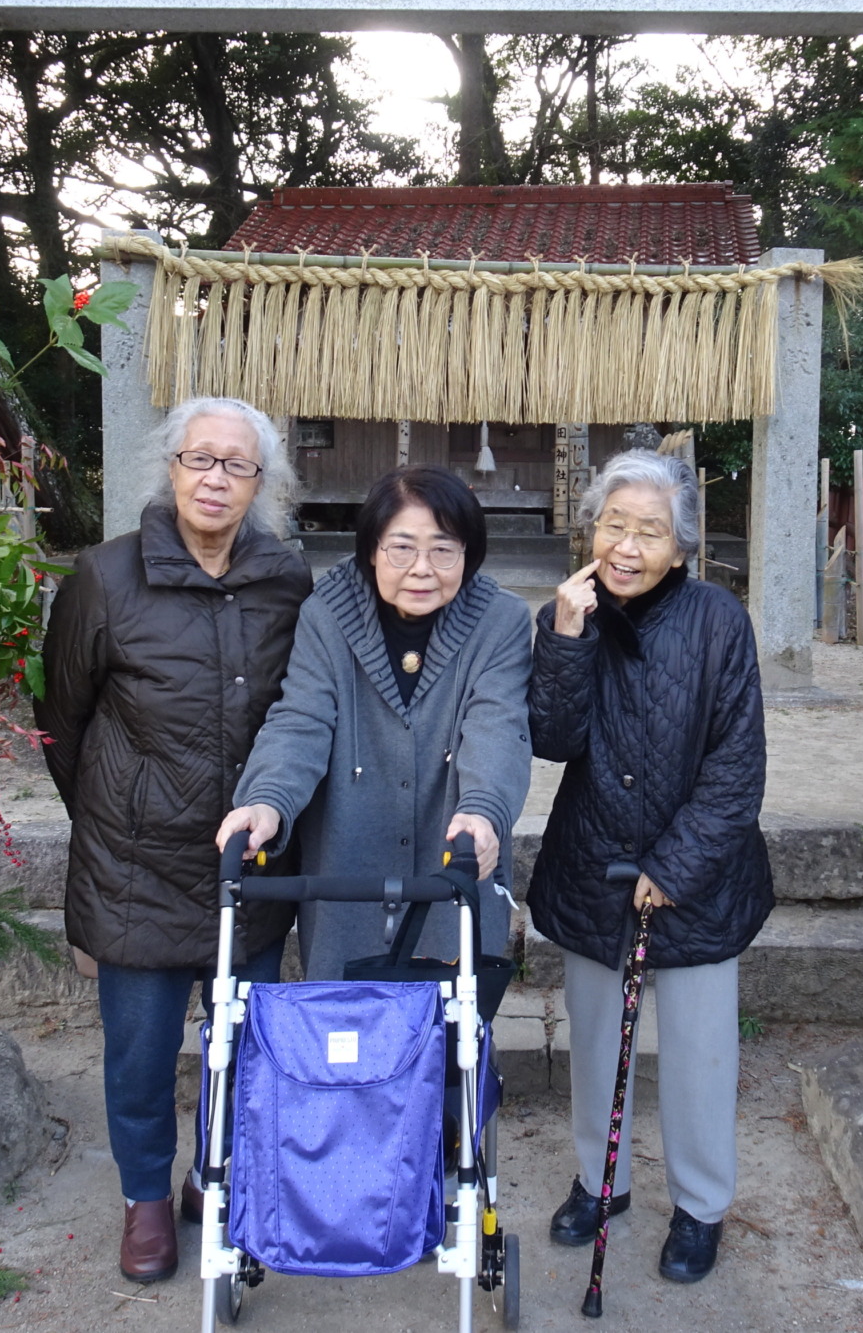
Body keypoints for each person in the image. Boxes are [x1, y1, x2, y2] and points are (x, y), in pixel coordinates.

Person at [36, 397, 312, 1286]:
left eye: (238, 466)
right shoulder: (106, 578)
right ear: (172, 467)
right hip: (135, 867)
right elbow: (61, 724)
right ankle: (144, 1197)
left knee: (243, 1043)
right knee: (142, 1054)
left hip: (252, 868)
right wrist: (117, 816)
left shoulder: (288, 582)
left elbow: (304, 712)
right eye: (201, 461)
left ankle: (214, 1179)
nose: (216, 480)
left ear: (262, 485)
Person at [526, 448, 773, 1286]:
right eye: (614, 526)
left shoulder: (717, 621)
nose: (627, 547)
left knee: (702, 1055)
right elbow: (552, 740)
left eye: (650, 532)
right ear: (593, 531)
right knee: (598, 1043)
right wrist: (565, 638)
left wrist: (673, 865)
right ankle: (603, 1183)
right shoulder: (568, 614)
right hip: (593, 864)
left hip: (699, 879)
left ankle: (701, 1207)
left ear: (682, 546)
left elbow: (737, 767)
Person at [218, 466, 532, 984]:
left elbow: (497, 724)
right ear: (371, 549)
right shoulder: (327, 615)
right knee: (345, 1037)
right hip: (348, 862)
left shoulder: (499, 619)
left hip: (451, 857)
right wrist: (266, 800)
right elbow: (302, 719)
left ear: (468, 555)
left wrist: (483, 812)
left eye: (443, 549)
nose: (422, 568)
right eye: (402, 548)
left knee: (453, 1040)